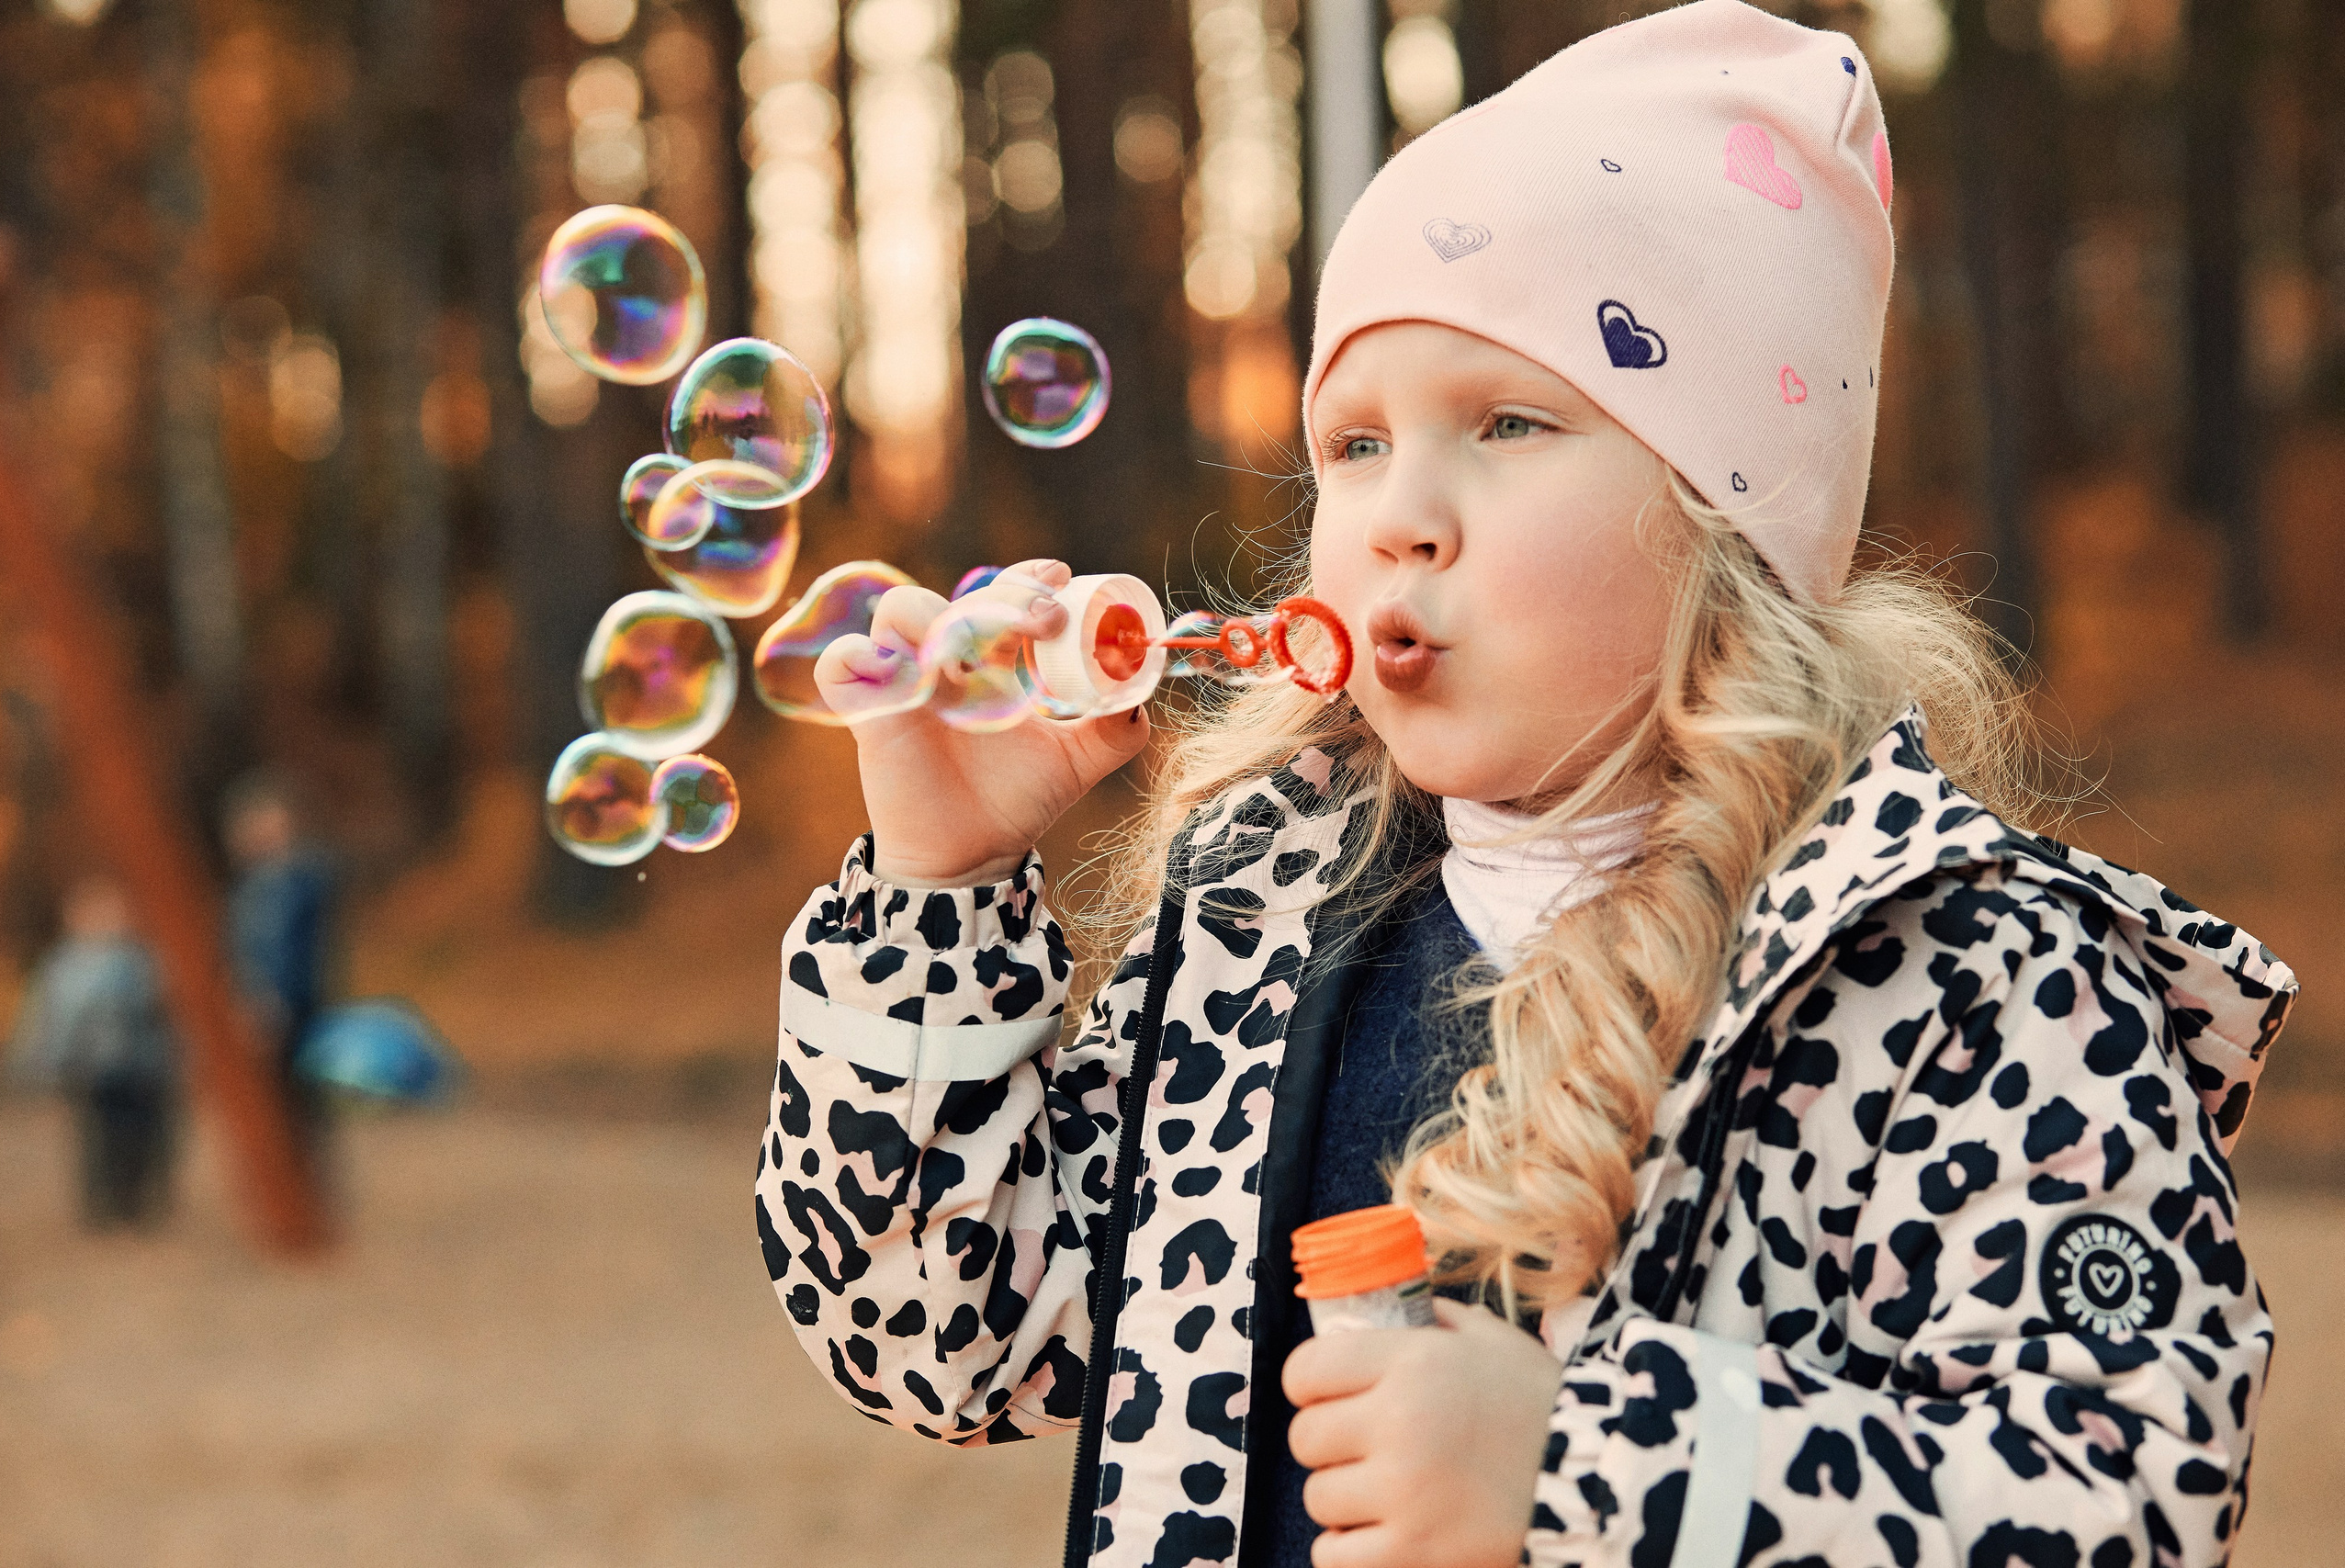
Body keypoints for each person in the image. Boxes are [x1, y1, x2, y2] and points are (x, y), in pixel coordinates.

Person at [754, 6, 2294, 1566]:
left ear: (1725, 528)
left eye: (1506, 421)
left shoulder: (1959, 972)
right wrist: (934, 894)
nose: (1398, 514)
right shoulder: (1263, 932)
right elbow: (947, 1336)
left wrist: (1589, 1468)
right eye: (1353, 443)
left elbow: (2126, 1494)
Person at [7, 874, 177, 1228]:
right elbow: (49, 1020)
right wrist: (44, 1065)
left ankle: (139, 1204)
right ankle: (103, 1207)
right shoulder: (62, 967)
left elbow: (163, 1012)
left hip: (139, 1067)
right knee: (98, 1140)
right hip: (91, 1069)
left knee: (141, 1137)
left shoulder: (140, 961)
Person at [222, 771, 339, 1186]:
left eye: (272, 824)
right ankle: (280, 1181)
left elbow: (294, 953)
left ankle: (307, 1186)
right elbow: (238, 952)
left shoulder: (301, 882)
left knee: (301, 1099)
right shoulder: (247, 890)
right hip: (257, 1003)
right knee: (269, 1100)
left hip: (296, 1005)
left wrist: (278, 1001)